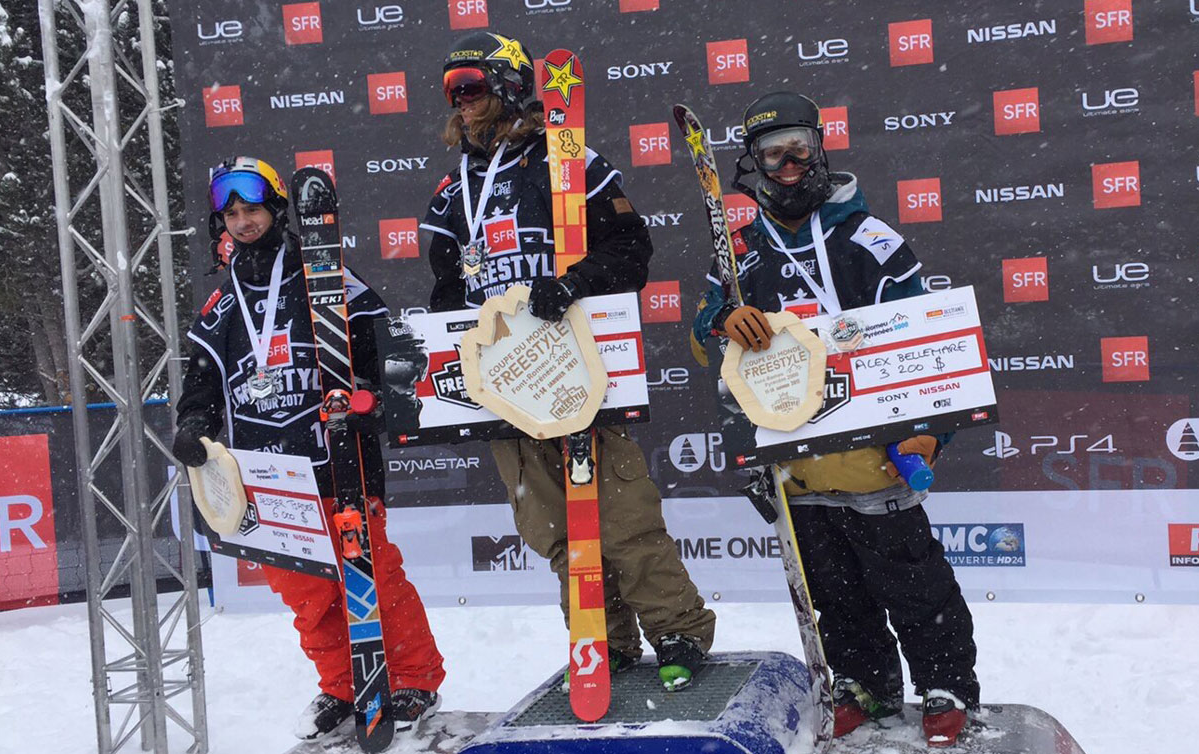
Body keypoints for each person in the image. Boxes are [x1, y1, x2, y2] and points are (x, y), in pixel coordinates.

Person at [417, 31, 716, 690]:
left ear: (507, 86)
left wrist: (575, 281)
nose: (461, 104)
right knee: (553, 528)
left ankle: (677, 629)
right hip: (508, 386)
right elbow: (445, 295)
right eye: (452, 93)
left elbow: (632, 248)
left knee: (623, 516)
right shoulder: (451, 190)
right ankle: (602, 639)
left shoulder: (567, 155)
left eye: (470, 88)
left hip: (577, 368)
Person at [689, 92, 980, 746]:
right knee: (836, 592)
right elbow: (704, 339)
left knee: (913, 582)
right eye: (773, 154)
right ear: (754, 164)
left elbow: (925, 345)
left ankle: (945, 684)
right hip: (797, 459)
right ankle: (864, 684)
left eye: (800, 148)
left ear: (820, 148)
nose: (789, 165)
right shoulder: (740, 256)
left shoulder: (870, 240)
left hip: (874, 453)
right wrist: (719, 320)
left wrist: (930, 432)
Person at [173, 157, 446, 739]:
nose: (243, 223)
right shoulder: (220, 306)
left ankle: (412, 678)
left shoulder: (325, 276)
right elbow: (199, 384)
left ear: (276, 210)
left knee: (374, 581)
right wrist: (193, 423)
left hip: (336, 458)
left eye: (252, 210)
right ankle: (340, 687)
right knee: (307, 594)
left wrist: (380, 392)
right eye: (232, 216)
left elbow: (389, 347)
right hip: (265, 477)